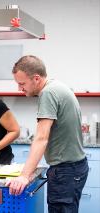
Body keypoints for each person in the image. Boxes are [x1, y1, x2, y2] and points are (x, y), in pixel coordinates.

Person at [6, 55, 88, 213]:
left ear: (36, 78)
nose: (20, 88)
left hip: (66, 171)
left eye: (22, 83)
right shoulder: (57, 86)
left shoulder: (48, 93)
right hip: (74, 169)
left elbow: (41, 138)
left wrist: (24, 176)